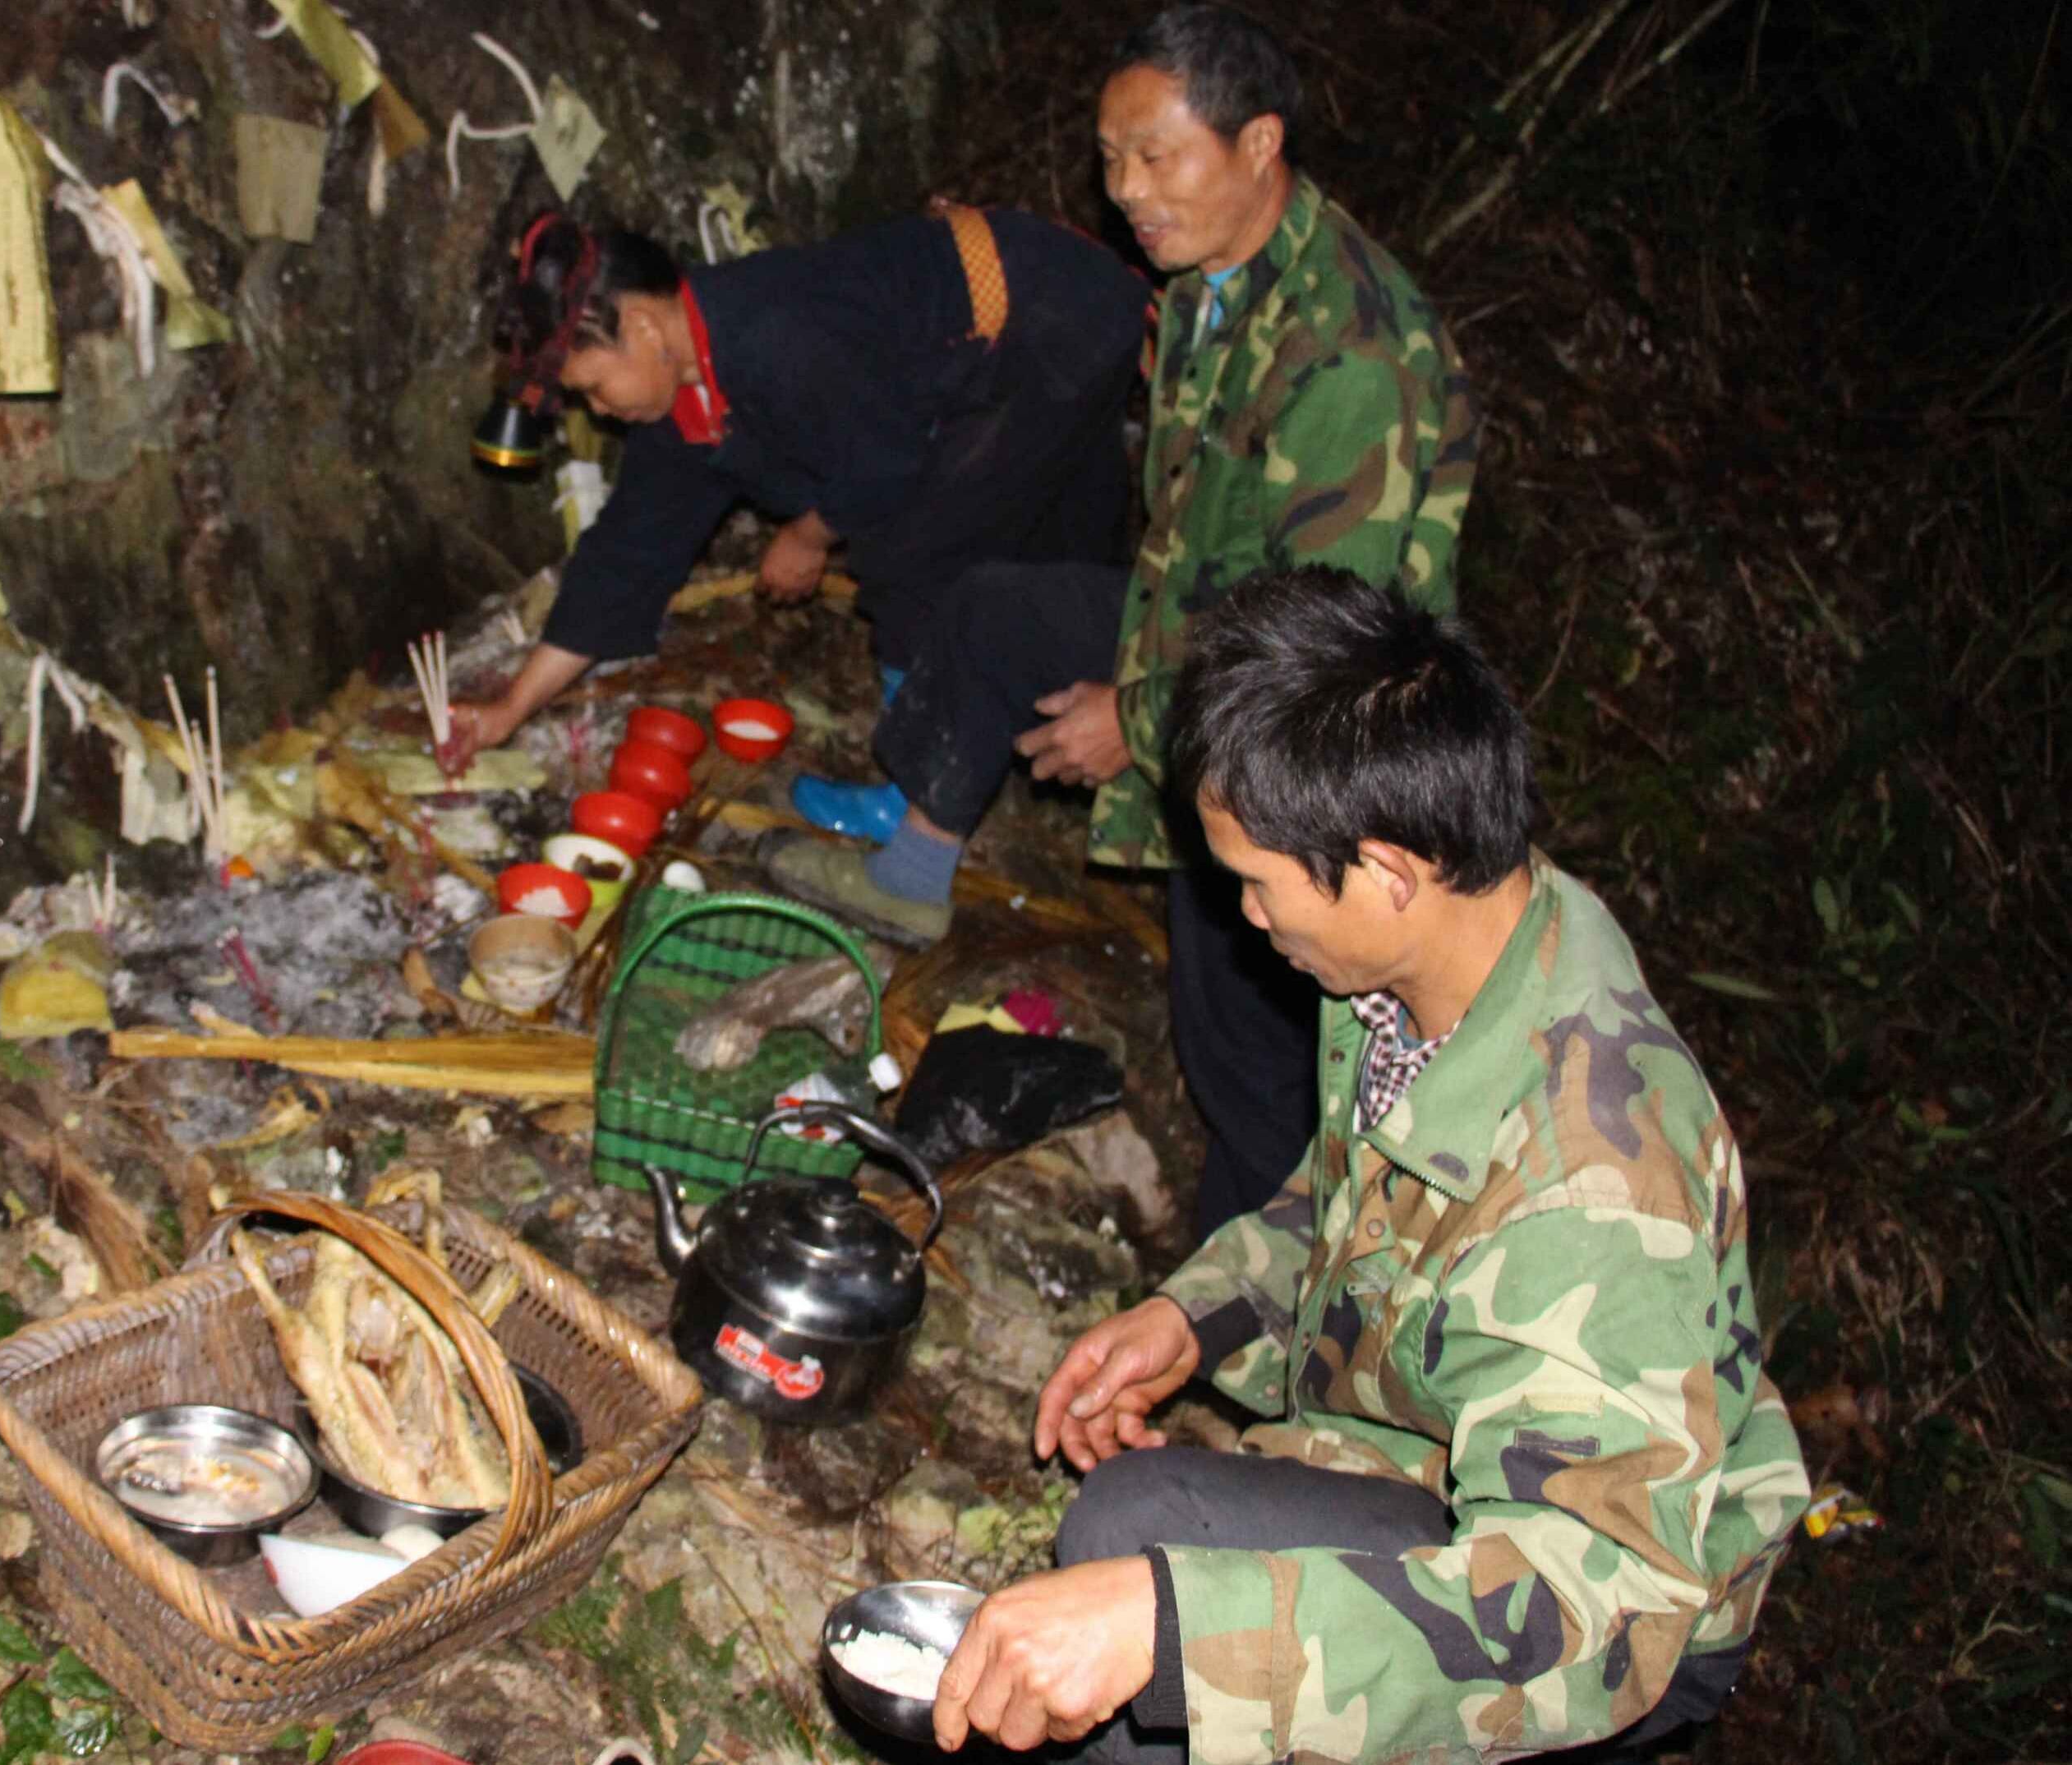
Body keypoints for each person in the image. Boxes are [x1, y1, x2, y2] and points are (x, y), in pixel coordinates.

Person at [927, 565, 1807, 1764]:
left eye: (1255, 884)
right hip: (1429, 1465)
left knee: (1155, 1671)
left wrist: (1188, 1631)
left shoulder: (1598, 1190)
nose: (1245, 919)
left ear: (1386, 871)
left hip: (1581, 1620)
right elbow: (1351, 1205)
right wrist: (1193, 1318)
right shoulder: (1428, 966)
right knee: (1133, 1540)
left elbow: (1595, 1612)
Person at [789, 4, 1480, 1210]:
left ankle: (1249, 1338)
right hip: (1200, 639)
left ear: (1257, 143)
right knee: (999, 612)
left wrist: (1141, 717)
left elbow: (1325, 650)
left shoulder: (1350, 360)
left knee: (1248, 1050)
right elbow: (1184, 520)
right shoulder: (1212, 283)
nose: (1125, 191)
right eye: (1110, 159)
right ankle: (910, 865)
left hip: (1316, 762)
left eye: (1157, 156)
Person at [440, 208, 1148, 942]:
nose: (600, 409)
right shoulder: (685, 395)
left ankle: (921, 805)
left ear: (645, 329)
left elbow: (884, 462)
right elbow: (623, 558)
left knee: (913, 550)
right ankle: (1039, 716)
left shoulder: (774, 333)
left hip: (1053, 313)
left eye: (594, 387)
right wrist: (507, 710)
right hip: (997, 344)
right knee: (1009, 540)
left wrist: (808, 536)